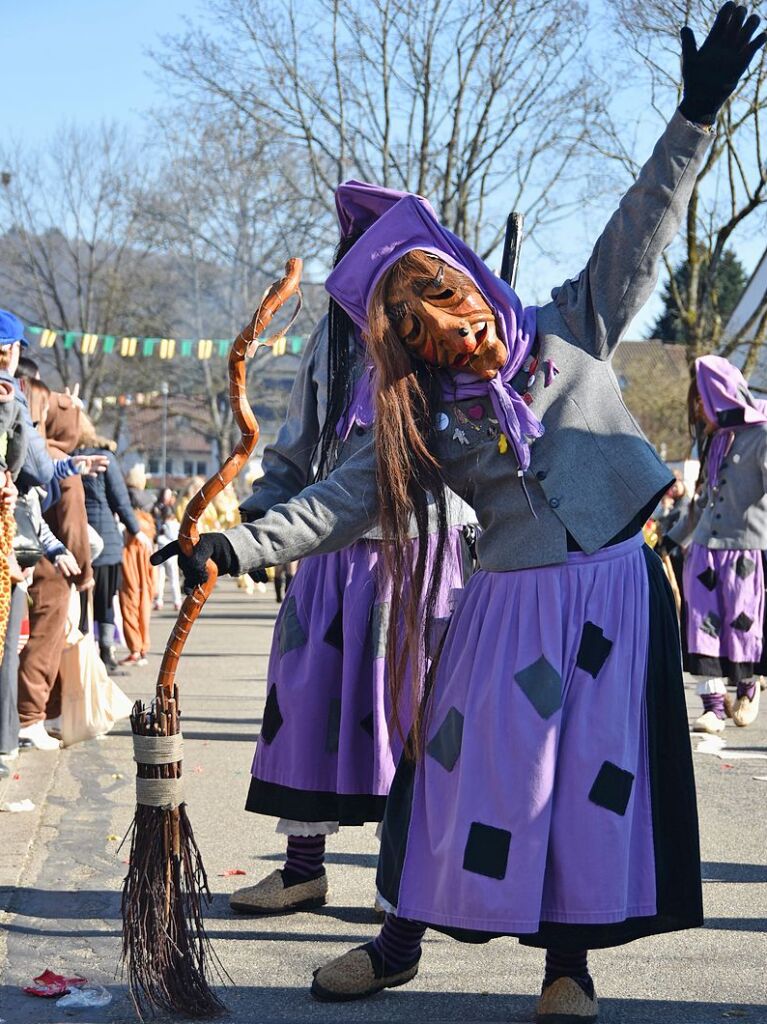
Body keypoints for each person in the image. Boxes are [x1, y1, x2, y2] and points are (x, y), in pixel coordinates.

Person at [156, 7, 764, 1018]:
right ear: (407, 342)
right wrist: (229, 541)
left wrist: (694, 116)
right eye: (419, 321)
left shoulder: (571, 323)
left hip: (615, 592)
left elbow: (645, 220)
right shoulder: (422, 415)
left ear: (472, 279)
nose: (455, 326)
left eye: (448, 295)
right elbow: (335, 502)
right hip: (508, 603)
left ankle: (566, 968)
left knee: (586, 782)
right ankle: (397, 941)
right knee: (456, 775)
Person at [667, 356, 767, 733]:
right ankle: (712, 706)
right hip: (705, 550)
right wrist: (669, 541)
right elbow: (702, 503)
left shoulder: (762, 436)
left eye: (701, 401)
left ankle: (746, 687)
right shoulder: (716, 441)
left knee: (743, 622)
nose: (697, 410)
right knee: (700, 623)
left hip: (746, 550)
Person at [17, 387, 93, 747]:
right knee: (44, 643)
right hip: (53, 567)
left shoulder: (30, 451)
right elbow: (74, 526)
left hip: (30, 560)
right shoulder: (58, 464)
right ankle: (30, 719)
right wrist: (84, 573)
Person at [77, 415, 151, 672]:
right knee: (106, 600)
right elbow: (120, 499)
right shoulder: (104, 458)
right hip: (106, 541)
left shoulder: (66, 456)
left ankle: (81, 651)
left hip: (77, 537)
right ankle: (106, 653)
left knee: (80, 600)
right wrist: (135, 530)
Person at [118, 464, 156, 666]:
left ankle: (134, 647)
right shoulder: (150, 501)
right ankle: (144, 647)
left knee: (129, 600)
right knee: (145, 601)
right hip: (147, 553)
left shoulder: (126, 500)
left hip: (130, 551)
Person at [152, 488, 182, 611]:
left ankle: (160, 600)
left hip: (160, 548)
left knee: (161, 577)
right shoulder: (174, 522)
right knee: (172, 577)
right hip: (170, 550)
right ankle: (177, 601)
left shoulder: (159, 517)